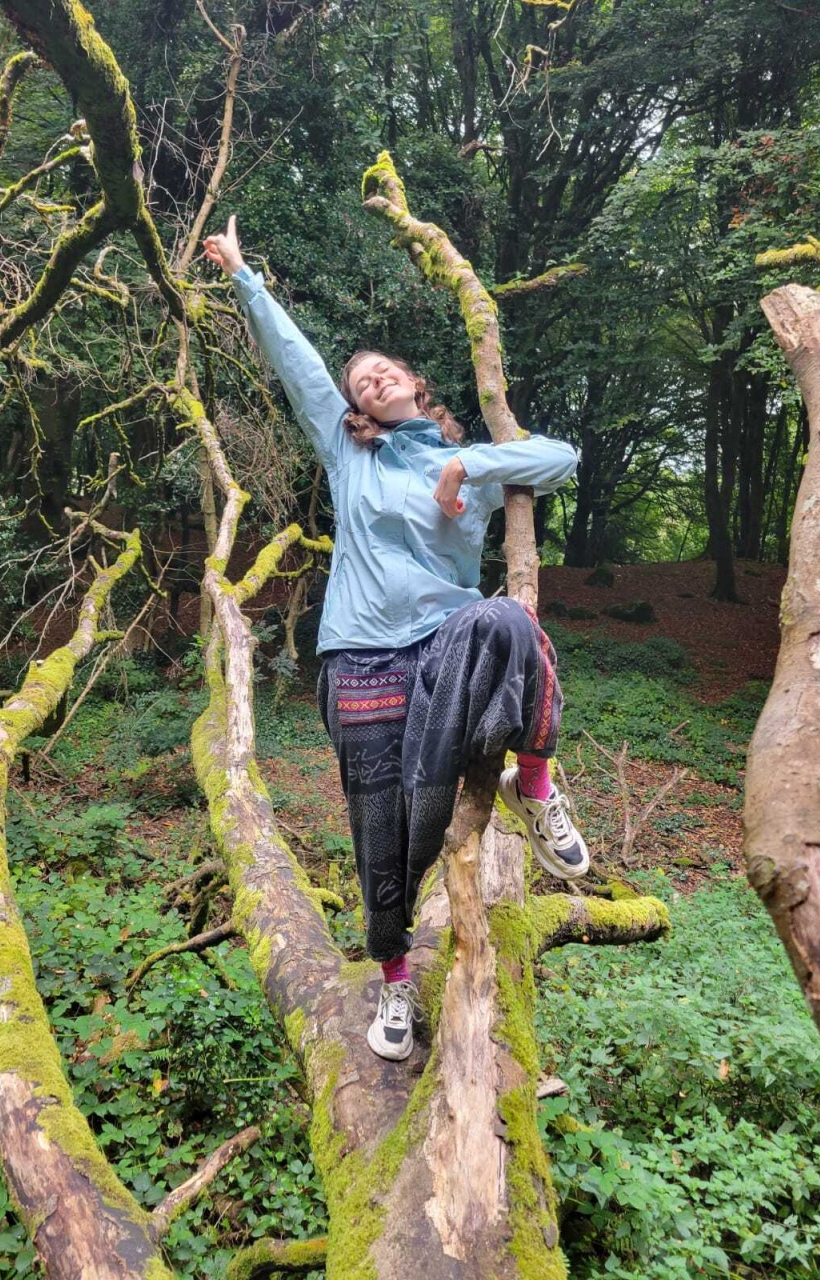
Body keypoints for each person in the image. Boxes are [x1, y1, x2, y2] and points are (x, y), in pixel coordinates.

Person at [203, 215, 589, 1062]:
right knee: (383, 832)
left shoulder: (468, 464)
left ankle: (536, 782)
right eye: (359, 381)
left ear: (415, 385)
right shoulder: (354, 460)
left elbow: (563, 459)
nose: (369, 381)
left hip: (442, 648)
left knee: (508, 617)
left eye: (383, 372)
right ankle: (393, 982)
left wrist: (468, 467)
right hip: (361, 658)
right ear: (357, 406)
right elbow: (300, 368)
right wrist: (243, 275)